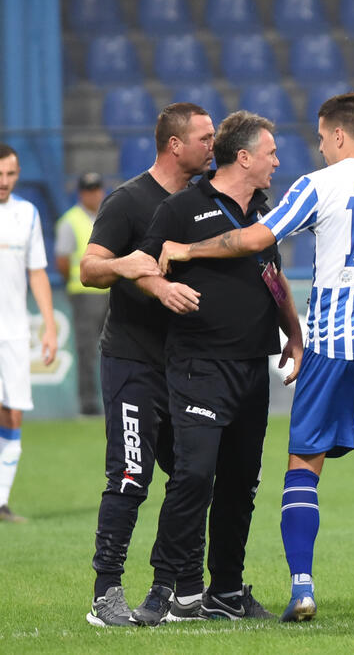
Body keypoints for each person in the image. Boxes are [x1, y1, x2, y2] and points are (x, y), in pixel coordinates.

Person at [157, 93, 354, 622]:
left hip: (333, 342)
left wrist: (189, 249)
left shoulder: (319, 186)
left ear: (338, 135)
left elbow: (255, 238)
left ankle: (302, 589)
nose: (318, 148)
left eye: (320, 138)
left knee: (305, 463)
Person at [133, 110, 299, 624]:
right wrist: (162, 287)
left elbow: (272, 276)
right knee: (194, 477)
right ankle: (163, 590)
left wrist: (294, 332)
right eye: (270, 152)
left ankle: (225, 591)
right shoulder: (183, 207)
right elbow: (142, 263)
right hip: (198, 365)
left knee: (239, 485)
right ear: (244, 157)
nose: (277, 160)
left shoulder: (266, 213)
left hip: (253, 365)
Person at [81, 103, 214, 627]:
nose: (214, 144)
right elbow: (91, 268)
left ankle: (189, 591)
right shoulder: (129, 201)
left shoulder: (203, 202)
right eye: (205, 137)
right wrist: (122, 264)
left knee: (192, 476)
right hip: (133, 362)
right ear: (175, 144)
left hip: (185, 367)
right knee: (131, 474)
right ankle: (105, 594)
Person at [0, 143, 57, 523]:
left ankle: (1, 501)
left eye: (11, 174)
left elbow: (37, 271)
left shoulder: (27, 214)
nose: (5, 181)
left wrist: (49, 325)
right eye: (0, 174)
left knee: (13, 413)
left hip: (14, 331)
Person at [55, 172, 109, 416]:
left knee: (117, 348)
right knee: (87, 350)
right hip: (84, 292)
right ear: (81, 193)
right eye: (89, 189)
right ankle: (88, 403)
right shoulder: (70, 220)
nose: (94, 193)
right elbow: (63, 261)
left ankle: (114, 399)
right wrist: (73, 282)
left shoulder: (110, 214)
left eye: (97, 188)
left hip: (112, 289)